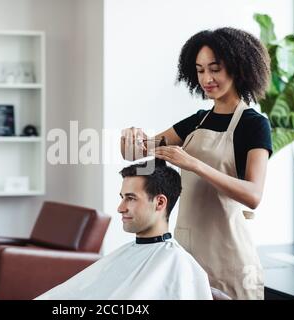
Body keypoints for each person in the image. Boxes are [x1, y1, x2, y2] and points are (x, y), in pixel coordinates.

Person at [121, 27, 273, 300]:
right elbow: (137, 152)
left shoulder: (254, 125)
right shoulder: (196, 121)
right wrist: (130, 137)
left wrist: (195, 164)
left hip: (230, 259)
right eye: (200, 70)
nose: (207, 78)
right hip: (188, 254)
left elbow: (253, 195)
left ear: (238, 68)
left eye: (215, 69)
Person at [35, 160, 213, 300]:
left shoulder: (178, 263)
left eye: (131, 198)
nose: (120, 208)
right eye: (122, 197)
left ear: (159, 203)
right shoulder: (127, 253)